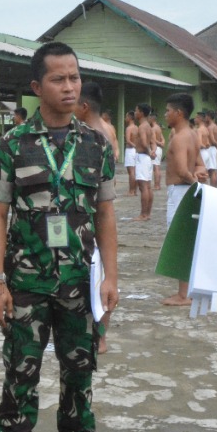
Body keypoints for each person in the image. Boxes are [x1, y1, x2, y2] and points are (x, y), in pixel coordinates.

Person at [0, 42, 118, 432]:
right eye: (59, 79)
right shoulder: (9, 147)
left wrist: (110, 276)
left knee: (80, 369)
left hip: (80, 283)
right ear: (37, 86)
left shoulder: (96, 145)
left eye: (75, 77)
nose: (69, 86)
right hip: (25, 281)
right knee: (20, 369)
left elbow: (105, 215)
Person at [75, 82, 119, 351]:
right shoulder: (107, 129)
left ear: (85, 106)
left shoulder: (94, 135)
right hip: (98, 211)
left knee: (100, 279)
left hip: (97, 215)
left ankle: (100, 336)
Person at [160, 93, 207, 306]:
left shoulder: (179, 138)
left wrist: (194, 182)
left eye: (168, 111)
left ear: (178, 113)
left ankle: (183, 294)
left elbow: (181, 170)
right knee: (186, 239)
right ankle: (185, 291)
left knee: (180, 240)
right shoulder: (191, 134)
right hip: (184, 189)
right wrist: (198, 175)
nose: (165, 115)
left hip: (181, 190)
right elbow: (200, 164)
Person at [123, 109, 140, 197]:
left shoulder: (129, 128)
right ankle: (135, 191)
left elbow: (128, 140)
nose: (125, 118)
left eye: (126, 116)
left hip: (130, 150)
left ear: (129, 117)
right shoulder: (137, 128)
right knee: (135, 171)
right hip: (136, 151)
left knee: (131, 172)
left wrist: (134, 146)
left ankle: (131, 190)